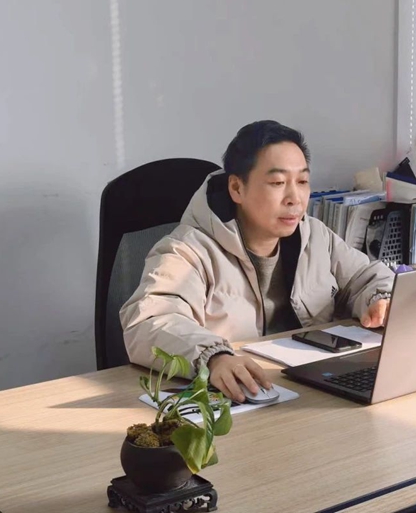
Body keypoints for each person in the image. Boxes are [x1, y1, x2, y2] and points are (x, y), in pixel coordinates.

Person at [120, 120, 394, 401]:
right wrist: (214, 357)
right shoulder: (188, 250)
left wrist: (380, 299)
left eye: (302, 181)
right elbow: (150, 320)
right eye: (277, 183)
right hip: (237, 398)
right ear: (237, 188)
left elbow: (365, 277)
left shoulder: (314, 236)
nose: (295, 198)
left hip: (306, 390)